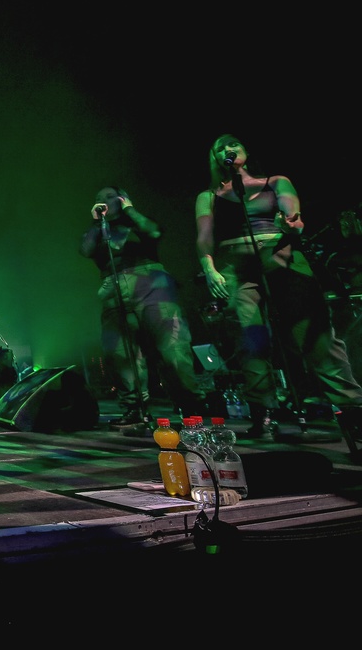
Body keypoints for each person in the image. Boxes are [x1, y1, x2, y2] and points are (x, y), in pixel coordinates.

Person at [195, 134, 362, 456]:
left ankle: (353, 409)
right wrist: (209, 268)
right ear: (215, 158)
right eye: (220, 148)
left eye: (233, 144)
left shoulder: (275, 182)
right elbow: (204, 235)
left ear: (245, 150)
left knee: (315, 336)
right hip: (235, 266)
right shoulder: (208, 196)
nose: (228, 150)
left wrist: (291, 225)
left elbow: (292, 213)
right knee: (251, 339)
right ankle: (263, 412)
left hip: (281, 255)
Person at [79, 186, 211, 429]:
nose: (102, 201)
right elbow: (85, 250)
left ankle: (190, 405)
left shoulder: (138, 222)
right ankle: (134, 407)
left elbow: (153, 231)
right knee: (121, 352)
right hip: (113, 285)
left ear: (123, 199)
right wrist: (97, 223)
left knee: (172, 346)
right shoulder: (99, 230)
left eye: (109, 197)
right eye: (98, 198)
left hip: (151, 282)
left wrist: (130, 210)